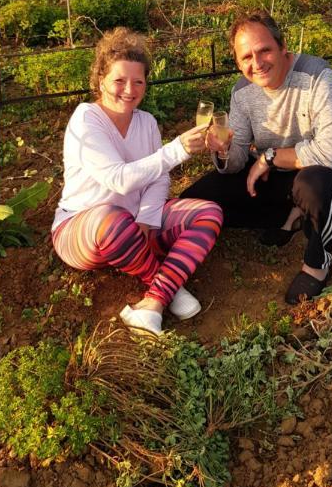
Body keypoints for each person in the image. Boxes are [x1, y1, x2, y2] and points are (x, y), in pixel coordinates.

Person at [51, 28, 223, 336]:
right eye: (119, 80)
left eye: (138, 81)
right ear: (101, 79)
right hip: (85, 230)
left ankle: (154, 301)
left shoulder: (147, 122)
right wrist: (177, 150)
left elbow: (158, 179)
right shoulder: (86, 119)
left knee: (209, 212)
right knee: (111, 220)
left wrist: (146, 217)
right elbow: (117, 179)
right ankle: (165, 282)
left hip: (135, 227)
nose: (129, 89)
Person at [181, 10, 332, 305]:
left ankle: (317, 262)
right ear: (237, 62)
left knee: (315, 186)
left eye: (264, 51)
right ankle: (287, 214)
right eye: (246, 57)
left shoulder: (317, 77)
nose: (257, 63)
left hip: (319, 169)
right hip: (272, 173)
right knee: (194, 199)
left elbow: (330, 152)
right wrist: (223, 150)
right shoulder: (242, 92)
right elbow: (237, 161)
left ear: (283, 46)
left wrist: (269, 157)